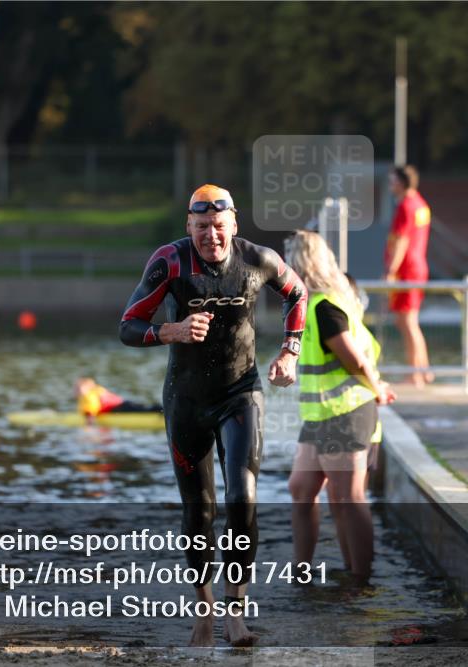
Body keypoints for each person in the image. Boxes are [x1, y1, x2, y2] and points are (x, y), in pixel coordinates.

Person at [119, 184, 306, 647]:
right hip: (186, 401)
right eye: (202, 227)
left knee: (242, 499)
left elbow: (297, 292)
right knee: (198, 511)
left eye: (219, 227)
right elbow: (128, 325)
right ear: (189, 226)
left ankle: (235, 613)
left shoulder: (255, 259)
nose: (211, 236)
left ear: (234, 224)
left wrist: (290, 352)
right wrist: (172, 330)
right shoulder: (171, 262)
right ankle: (204, 612)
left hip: (241, 392)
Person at [285, 230, 396, 586]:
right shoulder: (316, 303)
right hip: (319, 415)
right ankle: (301, 573)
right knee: (301, 488)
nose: (283, 272)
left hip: (347, 412)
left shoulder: (325, 307)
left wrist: (377, 388)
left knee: (349, 497)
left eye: (289, 264)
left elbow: (355, 360)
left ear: (302, 265)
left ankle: (359, 580)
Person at [384, 165, 433, 387]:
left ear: (402, 183)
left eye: (393, 181)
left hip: (407, 270)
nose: (390, 185)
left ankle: (415, 374)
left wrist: (391, 270)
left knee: (407, 321)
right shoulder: (421, 204)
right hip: (417, 266)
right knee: (408, 320)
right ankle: (423, 371)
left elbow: (402, 240)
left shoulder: (406, 206)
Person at [74, 377, 160, 424]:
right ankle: (158, 409)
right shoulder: (97, 390)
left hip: (117, 408)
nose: (76, 391)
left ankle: (159, 410)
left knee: (142, 410)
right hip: (122, 403)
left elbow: (92, 406)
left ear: (88, 388)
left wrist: (89, 419)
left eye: (78, 389)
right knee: (141, 408)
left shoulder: (88, 396)